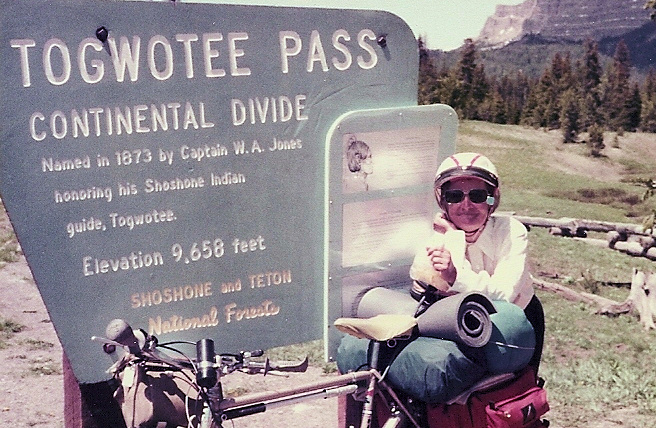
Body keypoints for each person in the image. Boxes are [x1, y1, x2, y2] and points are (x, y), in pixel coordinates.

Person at [409, 152, 544, 374]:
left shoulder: (511, 231)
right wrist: (453, 236)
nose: (466, 205)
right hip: (464, 325)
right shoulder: (436, 236)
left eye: (477, 195)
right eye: (454, 196)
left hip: (516, 321)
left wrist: (455, 276)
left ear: (492, 199)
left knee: (516, 391)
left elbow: (504, 296)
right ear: (443, 201)